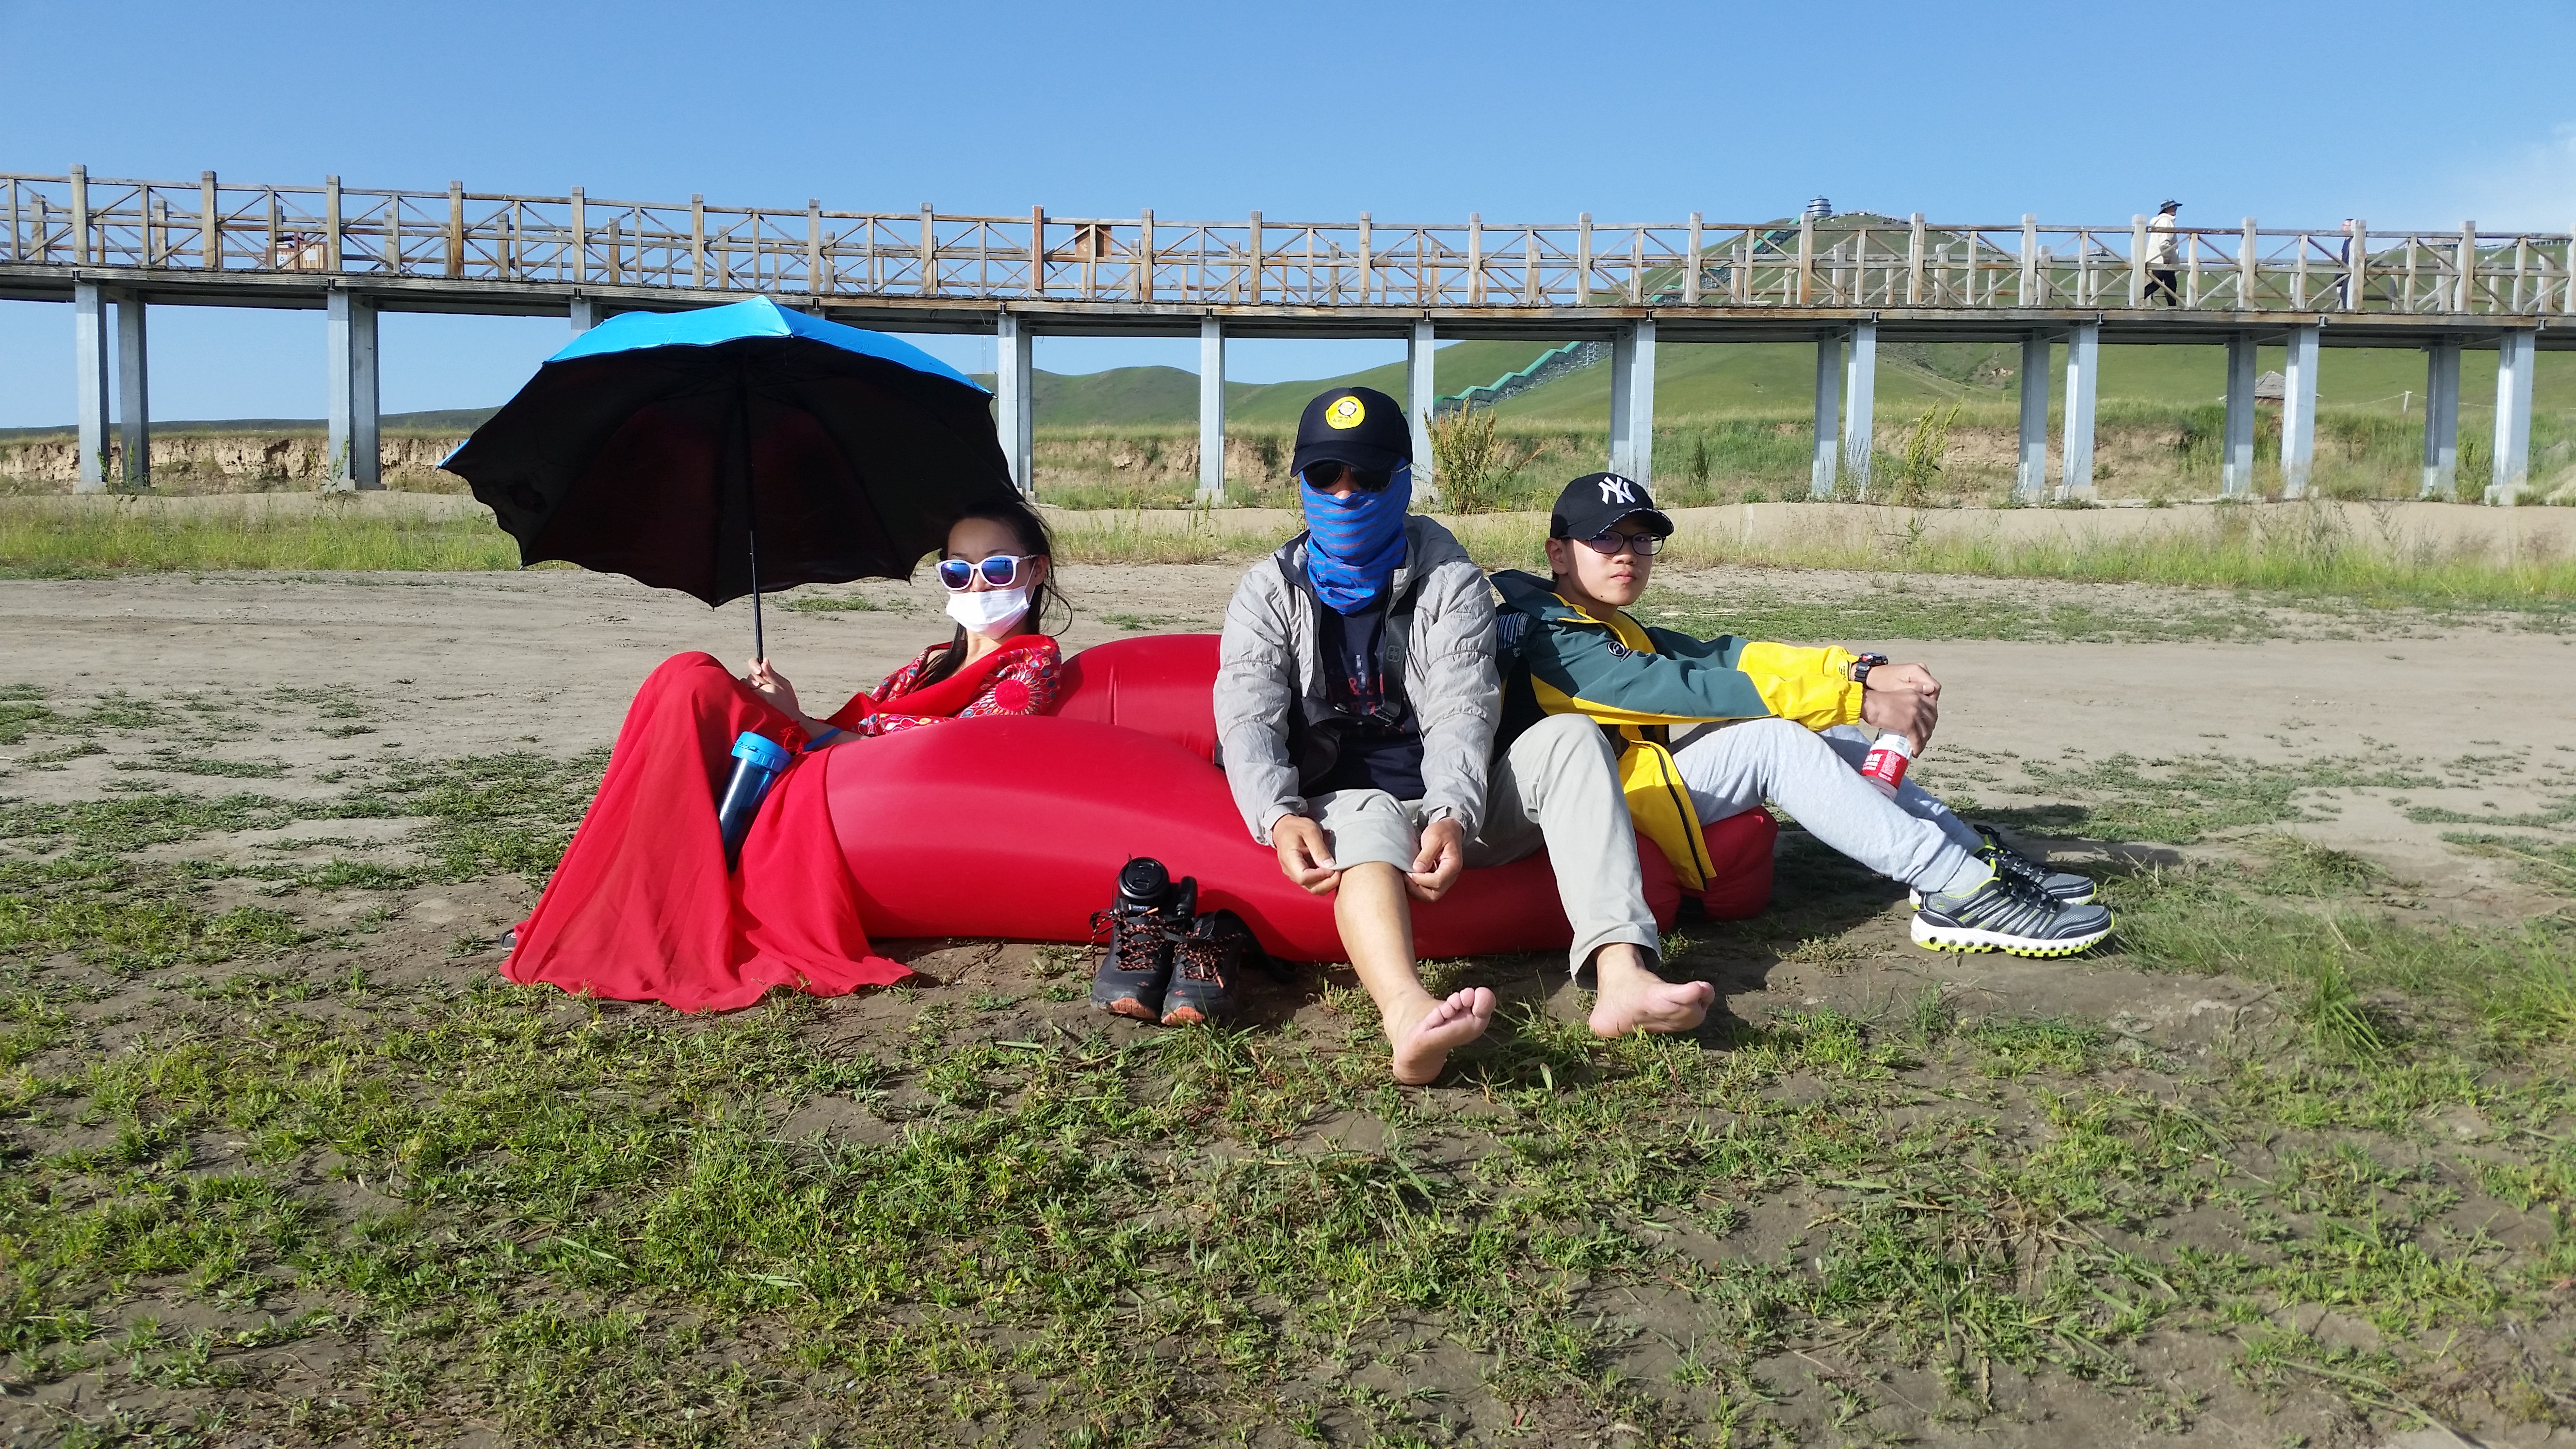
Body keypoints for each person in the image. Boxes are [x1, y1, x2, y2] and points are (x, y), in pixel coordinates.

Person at [1204, 388, 1711, 1086]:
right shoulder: (1267, 591)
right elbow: (1246, 715)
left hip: (1458, 802)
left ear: (1404, 483)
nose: (1346, 495)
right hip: (1344, 810)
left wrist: (1451, 811)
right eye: (1326, 477)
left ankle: (1622, 973)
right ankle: (1408, 1012)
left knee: (1569, 738)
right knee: (1370, 813)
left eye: (1369, 478)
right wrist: (1278, 812)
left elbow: (1462, 709)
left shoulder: (1451, 579)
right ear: (1302, 483)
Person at [1493, 472, 2113, 959]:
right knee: (1773, 744)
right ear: (1558, 552)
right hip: (1566, 813)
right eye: (1605, 538)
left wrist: (1860, 670)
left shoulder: (1607, 621)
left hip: (1626, 782)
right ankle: (1950, 889)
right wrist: (1860, 698)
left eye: (1640, 539)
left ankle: (1972, 857)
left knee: (1825, 728)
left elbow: (1729, 655)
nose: (1626, 554)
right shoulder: (1552, 636)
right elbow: (1681, 689)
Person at [501, 499, 1069, 1012]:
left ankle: (623, 908)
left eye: (997, 568)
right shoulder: (928, 662)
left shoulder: (1030, 667)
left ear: (1035, 571)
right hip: (837, 773)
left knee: (693, 683)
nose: (975, 584)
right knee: (689, 676)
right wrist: (793, 714)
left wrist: (799, 724)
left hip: (874, 800)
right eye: (957, 569)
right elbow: (859, 731)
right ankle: (620, 901)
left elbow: (957, 755)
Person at [2143, 200, 2182, 306]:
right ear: (2167, 209)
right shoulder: (2166, 221)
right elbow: (2164, 242)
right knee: (2170, 284)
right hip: (2163, 259)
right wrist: (2167, 257)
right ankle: (2172, 307)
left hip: (2157, 258)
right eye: (2173, 207)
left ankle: (2134, 300)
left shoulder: (2161, 221)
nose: (2176, 209)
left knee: (2158, 283)